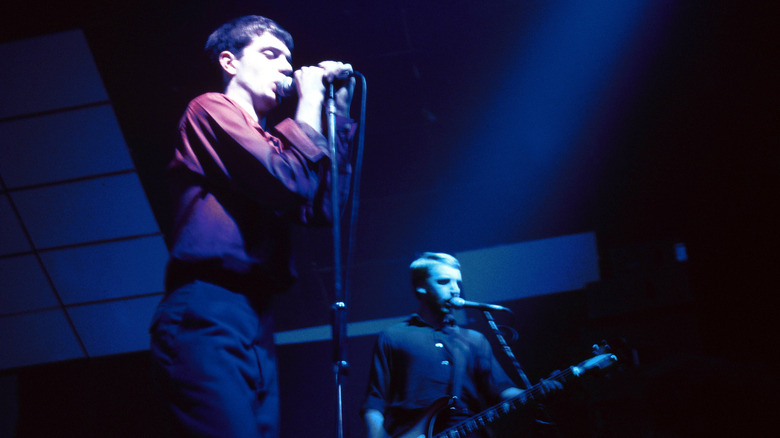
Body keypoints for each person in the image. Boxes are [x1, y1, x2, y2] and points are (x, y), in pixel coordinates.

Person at [149, 15, 356, 438]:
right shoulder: (209, 109)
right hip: (207, 308)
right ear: (230, 62)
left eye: (288, 58)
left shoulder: (279, 144)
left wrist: (338, 117)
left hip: (257, 319)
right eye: (270, 53)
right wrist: (309, 102)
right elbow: (287, 182)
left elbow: (323, 210)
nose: (286, 66)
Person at [362, 253, 561, 438]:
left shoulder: (474, 339)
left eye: (457, 282)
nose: (455, 288)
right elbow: (375, 400)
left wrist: (537, 391)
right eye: (444, 281)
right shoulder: (394, 336)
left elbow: (500, 389)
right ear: (421, 286)